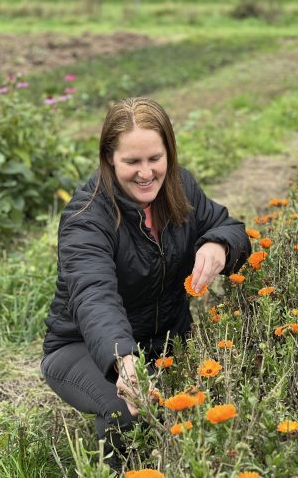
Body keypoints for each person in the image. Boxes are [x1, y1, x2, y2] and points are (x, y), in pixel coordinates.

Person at [41, 97, 251, 471]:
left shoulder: (181, 188)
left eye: (155, 158)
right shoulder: (87, 216)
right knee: (126, 408)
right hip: (84, 346)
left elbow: (230, 226)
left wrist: (220, 244)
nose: (145, 173)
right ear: (109, 160)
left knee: (222, 394)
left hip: (164, 340)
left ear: (168, 153)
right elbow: (94, 295)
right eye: (132, 162)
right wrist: (123, 360)